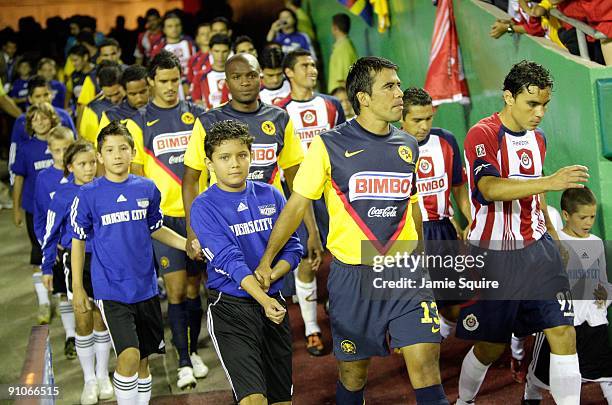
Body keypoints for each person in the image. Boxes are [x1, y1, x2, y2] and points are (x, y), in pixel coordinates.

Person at [255, 56, 449, 405]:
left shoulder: (407, 144)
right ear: (363, 97)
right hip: (353, 276)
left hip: (406, 275)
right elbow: (297, 205)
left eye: (398, 84)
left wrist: (421, 262)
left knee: (425, 369)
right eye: (389, 86)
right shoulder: (328, 145)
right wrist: (267, 260)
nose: (399, 93)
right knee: (353, 375)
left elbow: (412, 205)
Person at [454, 60, 589, 405]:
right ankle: (465, 401)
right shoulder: (482, 133)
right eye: (532, 104)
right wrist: (550, 180)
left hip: (538, 249)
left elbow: (536, 196)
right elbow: (489, 188)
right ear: (508, 97)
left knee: (563, 331)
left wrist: (555, 241)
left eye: (545, 104)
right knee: (490, 346)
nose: (540, 112)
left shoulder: (538, 139)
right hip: (496, 255)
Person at [71, 121, 188, 405]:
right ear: (100, 156)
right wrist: (77, 286)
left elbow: (155, 227)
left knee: (144, 361)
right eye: (109, 150)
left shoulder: (147, 188)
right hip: (111, 290)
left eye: (123, 148)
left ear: (134, 151)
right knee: (129, 355)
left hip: (146, 287)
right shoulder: (88, 195)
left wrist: (186, 244)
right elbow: (78, 239)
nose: (117, 155)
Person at [191, 119, 303, 405]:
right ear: (209, 163)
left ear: (251, 156)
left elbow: (293, 247)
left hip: (273, 302)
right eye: (224, 157)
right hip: (231, 310)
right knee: (253, 400)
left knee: (281, 401)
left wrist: (272, 273)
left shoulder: (271, 195)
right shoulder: (203, 207)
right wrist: (264, 299)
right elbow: (230, 261)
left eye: (242, 155)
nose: (235, 164)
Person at [126, 50, 208, 390]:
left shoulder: (199, 116)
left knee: (194, 290)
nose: (171, 87)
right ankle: (184, 361)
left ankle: (190, 348)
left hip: (198, 217)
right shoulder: (138, 122)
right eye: (164, 81)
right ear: (150, 83)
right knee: (174, 291)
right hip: (163, 222)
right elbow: (135, 177)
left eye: (175, 80)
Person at [275, 48, 346, 356]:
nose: (312, 69)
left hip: (335, 192)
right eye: (304, 65)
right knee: (306, 260)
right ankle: (312, 328)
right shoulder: (277, 111)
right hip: (300, 194)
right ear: (288, 73)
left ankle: (344, 313)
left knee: (346, 255)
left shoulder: (331, 106)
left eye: (314, 64)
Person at [40, 139, 115, 405]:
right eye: (82, 164)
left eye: (92, 163)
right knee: (83, 319)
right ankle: (89, 380)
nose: (89, 168)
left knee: (102, 319)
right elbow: (49, 235)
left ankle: (103, 375)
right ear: (70, 166)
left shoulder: (105, 188)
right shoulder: (61, 195)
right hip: (77, 262)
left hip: (106, 262)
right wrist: (47, 267)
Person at [523, 187, 612, 405]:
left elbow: (601, 281)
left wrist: (605, 294)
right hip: (561, 321)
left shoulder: (596, 242)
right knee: (541, 375)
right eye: (582, 217)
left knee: (606, 375)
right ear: (565, 215)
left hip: (593, 321)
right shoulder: (554, 242)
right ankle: (530, 394)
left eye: (592, 216)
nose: (588, 222)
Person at [400, 87, 472, 338]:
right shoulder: (390, 147)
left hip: (443, 232)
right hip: (408, 234)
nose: (424, 126)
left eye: (428, 118)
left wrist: (471, 219)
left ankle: (438, 340)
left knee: (451, 304)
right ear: (402, 118)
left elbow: (459, 186)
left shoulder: (446, 140)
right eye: (417, 120)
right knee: (414, 302)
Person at [11, 102, 60, 324]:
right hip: (36, 212)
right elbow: (19, 178)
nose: (40, 121)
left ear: (52, 118)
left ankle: (63, 294)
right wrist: (16, 208)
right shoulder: (26, 148)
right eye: (35, 119)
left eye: (44, 117)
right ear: (30, 124)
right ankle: (43, 302)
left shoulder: (61, 144)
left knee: (63, 253)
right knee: (39, 256)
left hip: (62, 211)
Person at [34, 126, 76, 359]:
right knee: (63, 294)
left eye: (67, 149)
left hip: (83, 247)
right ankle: (70, 335)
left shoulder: (81, 173)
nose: (62, 154)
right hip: (60, 250)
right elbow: (40, 218)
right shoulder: (43, 179)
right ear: (49, 150)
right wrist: (49, 245)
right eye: (57, 150)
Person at [9, 76, 76, 185]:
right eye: (38, 96)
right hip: (33, 182)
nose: (43, 100)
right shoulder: (22, 121)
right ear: (30, 99)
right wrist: (13, 182)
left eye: (46, 95)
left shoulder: (64, 116)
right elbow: (13, 153)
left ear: (51, 95)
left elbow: (75, 147)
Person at [150, 12, 196, 100]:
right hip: (170, 88)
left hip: (191, 85)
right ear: (163, 29)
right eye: (170, 26)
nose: (174, 29)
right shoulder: (159, 49)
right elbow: (154, 73)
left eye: (177, 25)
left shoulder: (190, 43)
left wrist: (188, 81)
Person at [79, 62, 125, 143]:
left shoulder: (136, 101)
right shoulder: (93, 109)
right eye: (108, 96)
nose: (114, 99)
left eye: (117, 93)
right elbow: (89, 143)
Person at [191, 34, 231, 109]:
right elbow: (196, 101)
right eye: (217, 51)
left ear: (229, 52)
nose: (220, 56)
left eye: (224, 51)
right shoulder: (200, 76)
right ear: (210, 51)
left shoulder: (237, 74)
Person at [328, 13, 358, 93]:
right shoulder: (344, 45)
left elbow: (344, 80)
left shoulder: (342, 48)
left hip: (341, 96)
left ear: (335, 28)